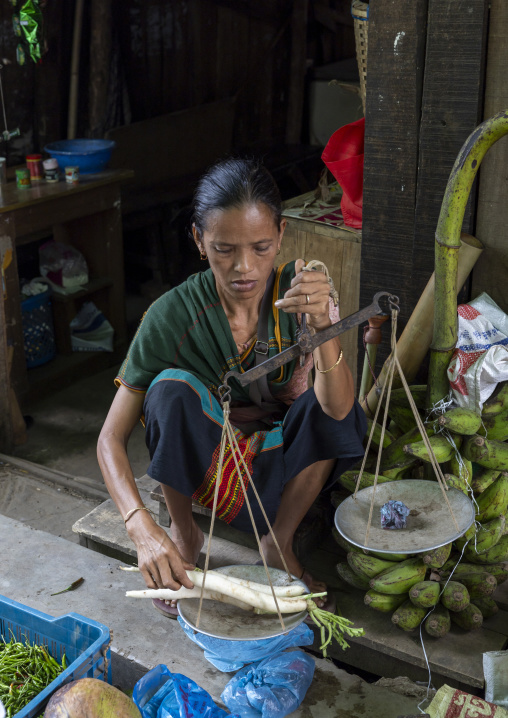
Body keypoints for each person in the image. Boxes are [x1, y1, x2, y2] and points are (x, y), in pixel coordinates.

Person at [97, 157, 367, 618]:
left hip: (286, 465)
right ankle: (185, 533)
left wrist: (324, 326)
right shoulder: (171, 316)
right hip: (212, 464)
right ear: (200, 241)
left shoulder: (304, 292)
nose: (245, 267)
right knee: (169, 392)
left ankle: (277, 542)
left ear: (281, 234)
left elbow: (339, 412)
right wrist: (140, 526)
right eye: (224, 249)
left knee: (336, 401)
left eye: (261, 247)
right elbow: (109, 439)